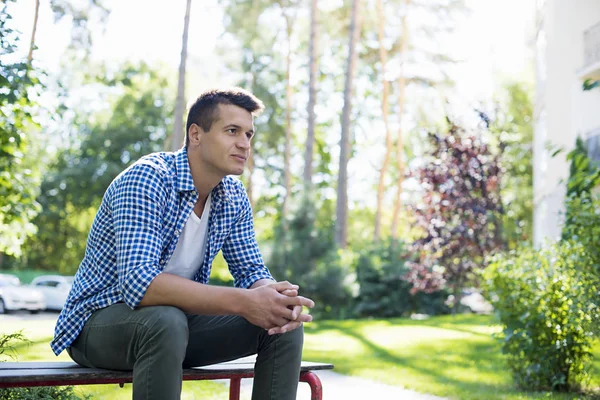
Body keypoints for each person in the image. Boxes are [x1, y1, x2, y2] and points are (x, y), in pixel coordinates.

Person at [51, 88, 315, 400]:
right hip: (97, 325)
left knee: (281, 326)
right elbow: (140, 284)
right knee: (165, 320)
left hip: (175, 328)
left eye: (248, 134)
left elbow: (250, 269)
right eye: (232, 131)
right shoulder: (147, 179)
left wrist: (272, 298)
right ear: (196, 134)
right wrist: (244, 301)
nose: (244, 143)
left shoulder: (232, 195)